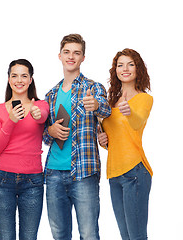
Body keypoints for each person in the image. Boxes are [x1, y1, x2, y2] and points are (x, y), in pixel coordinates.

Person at [43, 34, 111, 240]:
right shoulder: (50, 95)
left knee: (89, 234)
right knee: (59, 234)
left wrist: (97, 105)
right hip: (54, 173)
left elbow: (106, 111)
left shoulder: (93, 87)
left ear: (83, 57)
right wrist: (50, 131)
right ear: (59, 56)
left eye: (76, 53)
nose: (71, 56)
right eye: (67, 52)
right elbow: (44, 137)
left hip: (84, 172)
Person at [0, 59, 49, 240]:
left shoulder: (40, 106)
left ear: (31, 79)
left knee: (29, 237)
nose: (19, 80)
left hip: (32, 180)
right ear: (8, 79)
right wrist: (12, 120)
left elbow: (42, 117)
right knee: (5, 237)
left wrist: (37, 115)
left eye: (24, 76)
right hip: (3, 179)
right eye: (14, 75)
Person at [98, 48, 153, 240]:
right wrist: (103, 141)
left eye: (130, 64)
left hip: (135, 172)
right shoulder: (110, 102)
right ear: (116, 71)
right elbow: (114, 137)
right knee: (125, 236)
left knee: (137, 236)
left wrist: (129, 112)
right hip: (114, 175)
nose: (125, 69)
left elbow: (137, 123)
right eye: (120, 65)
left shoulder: (144, 98)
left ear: (138, 68)